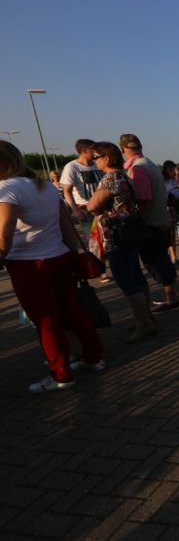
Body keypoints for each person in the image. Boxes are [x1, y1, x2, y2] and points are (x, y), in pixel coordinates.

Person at [0, 141, 103, 392]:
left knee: (45, 320)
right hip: (59, 256)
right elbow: (65, 225)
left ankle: (61, 374)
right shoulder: (44, 186)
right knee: (73, 311)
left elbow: (4, 233)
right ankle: (93, 358)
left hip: (28, 263)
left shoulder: (6, 189)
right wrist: (74, 255)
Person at [86, 141, 156, 343]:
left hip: (117, 235)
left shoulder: (111, 178)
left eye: (96, 157)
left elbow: (92, 205)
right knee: (136, 278)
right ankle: (145, 318)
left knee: (127, 282)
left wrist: (96, 207)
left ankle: (144, 324)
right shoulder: (124, 175)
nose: (94, 161)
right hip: (130, 232)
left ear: (106, 158)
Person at [120, 134, 179, 313]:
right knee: (161, 259)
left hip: (150, 223)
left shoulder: (138, 169)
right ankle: (173, 295)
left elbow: (144, 200)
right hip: (159, 220)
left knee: (155, 262)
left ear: (123, 149)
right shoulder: (149, 164)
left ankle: (171, 298)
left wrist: (134, 218)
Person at [60, 139, 103, 242]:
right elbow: (67, 191)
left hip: (101, 208)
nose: (96, 152)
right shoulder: (72, 167)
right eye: (93, 150)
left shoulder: (98, 164)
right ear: (84, 151)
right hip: (86, 211)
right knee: (93, 242)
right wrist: (76, 211)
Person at [161, 160, 179, 264]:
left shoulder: (176, 181)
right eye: (171, 170)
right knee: (170, 233)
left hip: (177, 208)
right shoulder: (163, 182)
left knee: (175, 233)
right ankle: (173, 256)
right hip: (167, 209)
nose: (173, 172)